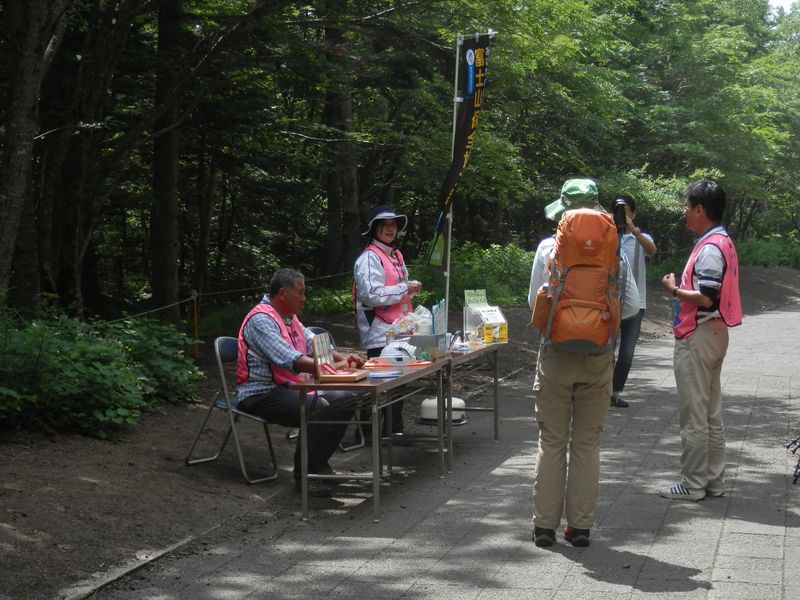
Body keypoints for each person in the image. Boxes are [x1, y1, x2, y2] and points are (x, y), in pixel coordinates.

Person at [531, 178, 639, 549]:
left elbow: (534, 302)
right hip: (597, 356)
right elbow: (631, 306)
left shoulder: (549, 248)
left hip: (556, 354)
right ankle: (579, 528)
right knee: (587, 444)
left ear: (563, 210)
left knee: (552, 441)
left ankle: (544, 528)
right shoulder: (615, 249)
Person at [235, 268, 365, 498]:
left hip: (291, 387)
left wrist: (345, 360)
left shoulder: (289, 317)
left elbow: (316, 344)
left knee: (345, 398)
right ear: (282, 293)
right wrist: (332, 367)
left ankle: (320, 465)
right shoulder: (261, 320)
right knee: (317, 407)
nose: (304, 298)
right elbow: (290, 359)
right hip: (261, 393)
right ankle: (306, 476)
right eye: (300, 292)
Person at [659, 179, 741, 501]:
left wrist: (674, 290)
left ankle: (692, 484)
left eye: (687, 206)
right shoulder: (722, 241)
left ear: (700, 210)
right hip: (716, 333)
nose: (684, 211)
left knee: (694, 414)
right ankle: (713, 482)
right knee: (710, 412)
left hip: (699, 336)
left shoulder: (709, 248)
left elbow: (706, 297)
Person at [353, 205, 422, 440]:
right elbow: (371, 295)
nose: (390, 229)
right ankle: (366, 433)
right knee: (376, 384)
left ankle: (393, 430)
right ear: (374, 229)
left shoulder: (395, 254)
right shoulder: (369, 257)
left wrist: (409, 288)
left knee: (398, 382)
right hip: (379, 332)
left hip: (398, 329)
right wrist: (404, 287)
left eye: (393, 225)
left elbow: (397, 287)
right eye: (385, 225)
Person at [610, 195, 658, 408]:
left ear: (634, 213)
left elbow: (652, 251)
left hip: (637, 303)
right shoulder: (608, 236)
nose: (623, 215)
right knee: (606, 351)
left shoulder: (641, 237)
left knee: (627, 353)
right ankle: (601, 392)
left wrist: (634, 230)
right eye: (620, 212)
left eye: (627, 211)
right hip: (610, 302)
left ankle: (615, 392)